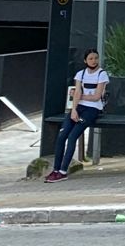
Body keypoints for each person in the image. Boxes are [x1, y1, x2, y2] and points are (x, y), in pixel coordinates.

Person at [45, 50, 109, 183]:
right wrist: (74, 109)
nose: (94, 61)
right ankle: (56, 169)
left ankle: (63, 171)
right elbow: (77, 90)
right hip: (79, 107)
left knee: (73, 136)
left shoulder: (102, 74)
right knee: (62, 135)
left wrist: (79, 96)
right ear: (85, 60)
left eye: (96, 58)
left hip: (92, 109)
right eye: (91, 58)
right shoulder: (81, 74)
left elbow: (96, 97)